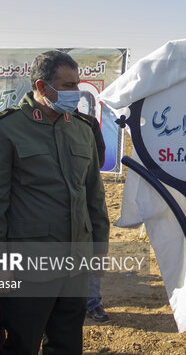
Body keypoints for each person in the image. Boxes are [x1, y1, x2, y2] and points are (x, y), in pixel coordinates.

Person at [0, 50, 110, 354]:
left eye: (77, 84)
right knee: (21, 343)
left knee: (67, 343)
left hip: (75, 263)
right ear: (40, 87)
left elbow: (94, 196)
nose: (76, 92)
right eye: (67, 86)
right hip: (28, 266)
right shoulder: (6, 131)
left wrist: (99, 248)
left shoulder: (82, 129)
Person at [76, 109, 110, 323]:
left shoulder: (87, 123)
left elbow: (99, 157)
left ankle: (91, 302)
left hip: (84, 195)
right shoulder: (29, 125)